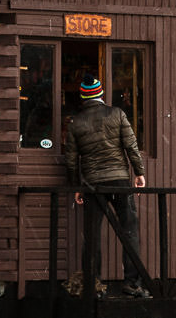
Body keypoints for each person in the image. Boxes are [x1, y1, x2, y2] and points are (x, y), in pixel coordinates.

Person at [64, 74, 150, 298]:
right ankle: (132, 284)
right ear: (101, 94)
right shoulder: (117, 114)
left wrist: (76, 187)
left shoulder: (75, 123)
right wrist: (139, 172)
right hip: (120, 180)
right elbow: (131, 145)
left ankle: (94, 284)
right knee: (129, 229)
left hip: (93, 185)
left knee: (91, 235)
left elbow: (72, 160)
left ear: (83, 97)